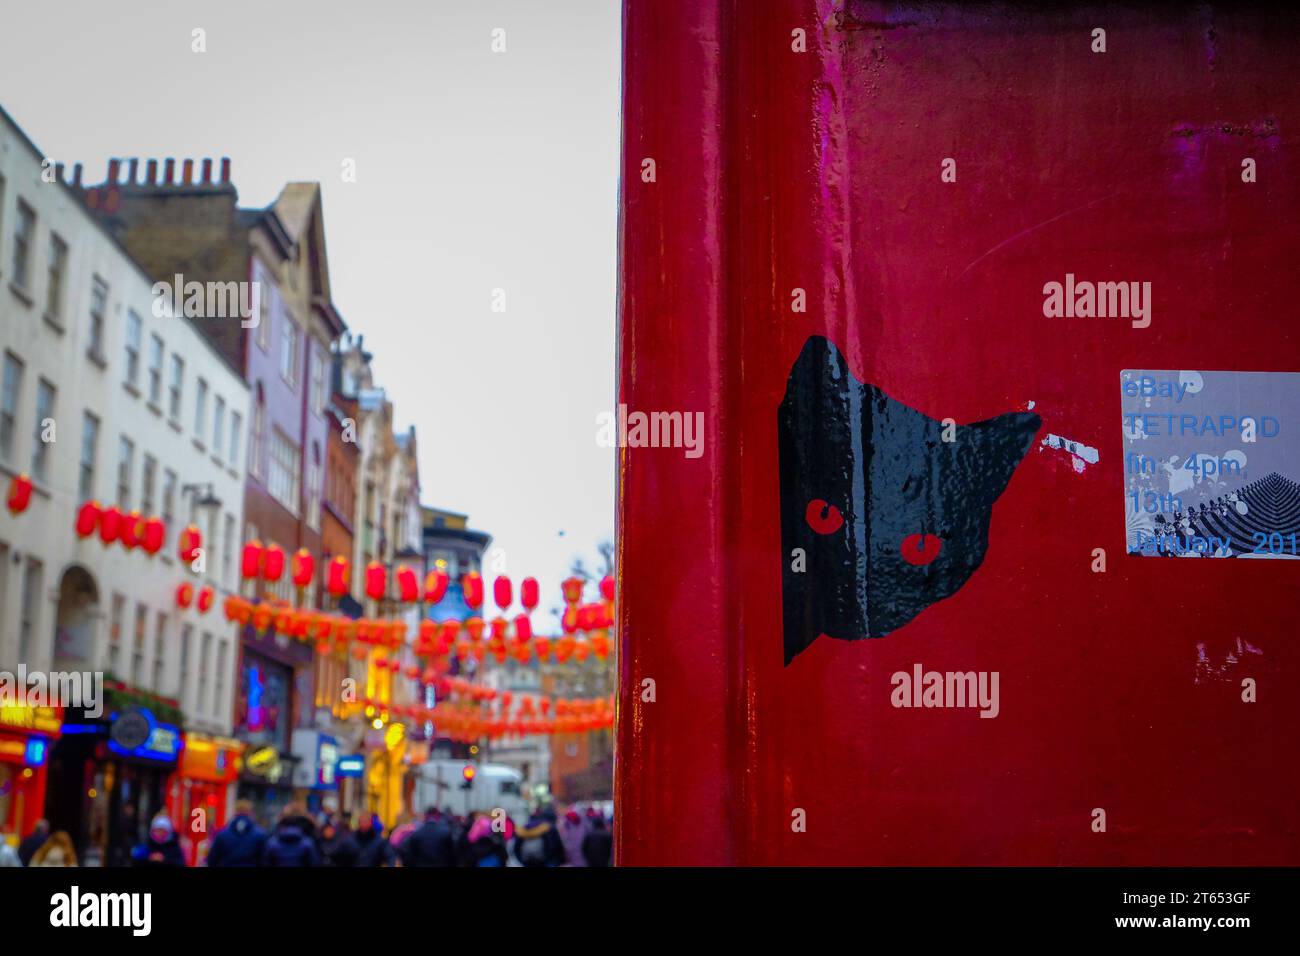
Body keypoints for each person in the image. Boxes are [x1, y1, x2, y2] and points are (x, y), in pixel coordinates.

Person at [207, 800, 267, 867]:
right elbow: (264, 860)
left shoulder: (222, 835)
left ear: (235, 812)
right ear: (250, 813)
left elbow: (212, 860)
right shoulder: (260, 835)